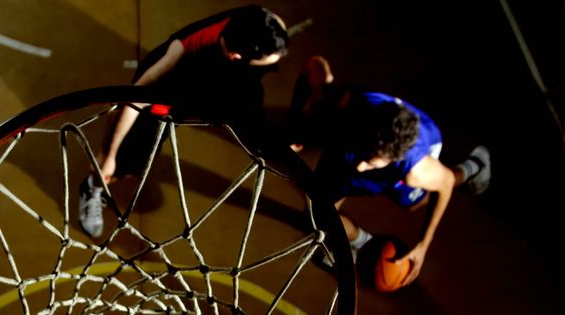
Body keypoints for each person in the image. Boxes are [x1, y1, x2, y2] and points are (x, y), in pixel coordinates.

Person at [79, 5, 290, 238]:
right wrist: (109, 155)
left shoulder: (260, 20)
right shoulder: (181, 54)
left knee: (245, 117)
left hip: (209, 84)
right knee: (123, 163)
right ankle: (92, 187)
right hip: (167, 93)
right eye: (270, 58)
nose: (276, 59)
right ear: (235, 57)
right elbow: (133, 100)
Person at [287, 55, 490, 287]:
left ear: (393, 159)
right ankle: (363, 241)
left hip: (418, 151)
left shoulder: (415, 170)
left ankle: (473, 166)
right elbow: (314, 64)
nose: (361, 166)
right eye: (363, 155)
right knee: (314, 217)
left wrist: (423, 245)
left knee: (417, 201)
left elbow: (443, 184)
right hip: (342, 156)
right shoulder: (348, 104)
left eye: (370, 162)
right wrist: (295, 124)